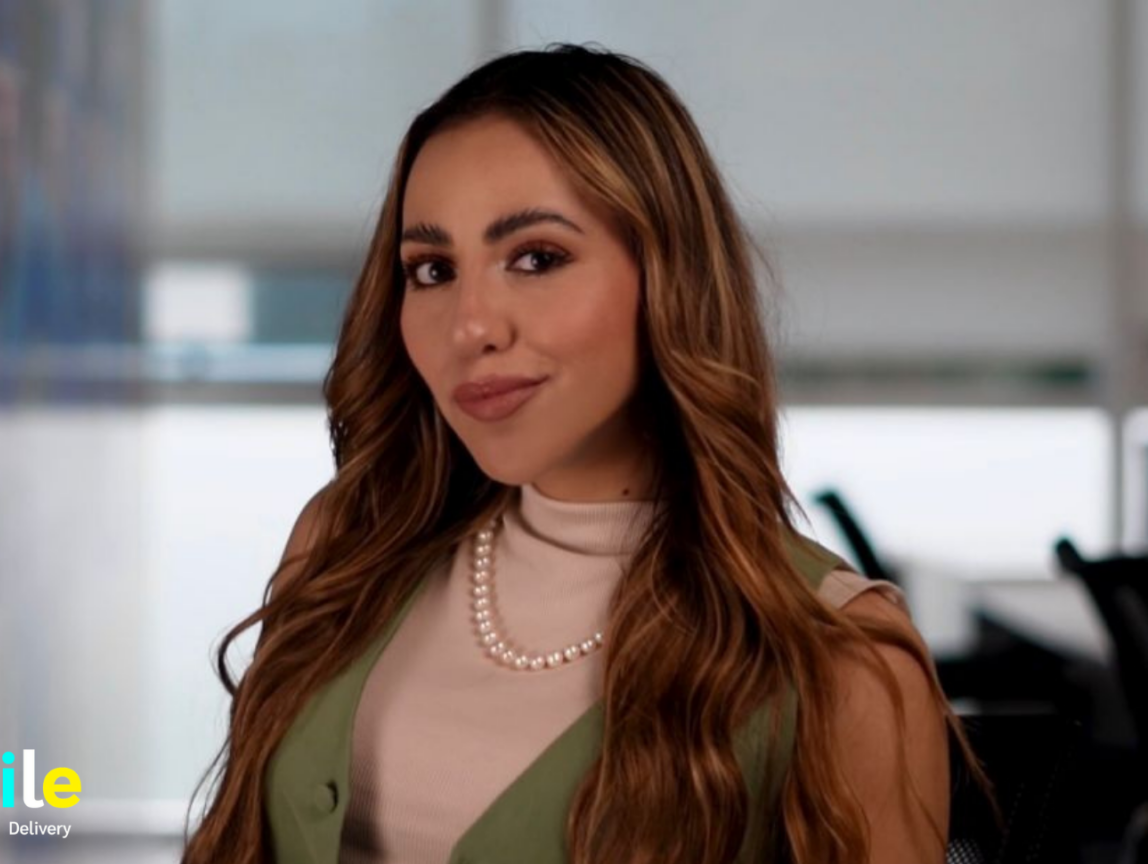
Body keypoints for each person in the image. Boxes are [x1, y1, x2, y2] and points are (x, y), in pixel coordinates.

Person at [181, 43, 992, 864]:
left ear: (669, 276)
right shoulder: (346, 546)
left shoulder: (841, 658)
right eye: (432, 271)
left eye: (536, 258)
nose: (470, 326)